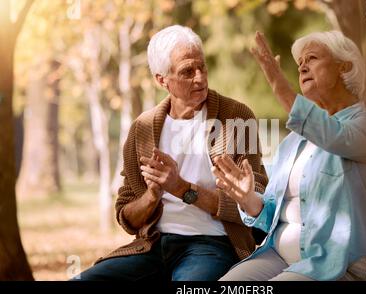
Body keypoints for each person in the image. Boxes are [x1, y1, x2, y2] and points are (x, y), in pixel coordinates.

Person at [74, 25, 268, 281]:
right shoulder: (142, 128)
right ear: (161, 79)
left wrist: (181, 188)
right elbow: (126, 217)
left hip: (213, 245)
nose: (200, 78)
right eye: (188, 71)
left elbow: (259, 199)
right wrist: (152, 195)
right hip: (151, 247)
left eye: (202, 67)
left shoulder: (236, 117)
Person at [215, 31, 366, 281]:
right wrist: (248, 199)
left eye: (312, 58)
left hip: (339, 265)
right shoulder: (294, 141)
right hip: (278, 257)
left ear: (344, 67)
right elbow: (272, 214)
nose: (303, 66)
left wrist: (278, 84)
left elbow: (334, 136)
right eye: (300, 64)